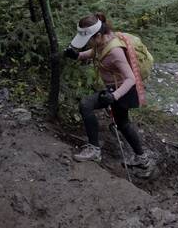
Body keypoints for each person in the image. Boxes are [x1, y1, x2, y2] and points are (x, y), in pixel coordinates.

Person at [64, 12, 150, 168]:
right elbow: (95, 53)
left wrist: (114, 96)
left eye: (88, 40)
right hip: (115, 89)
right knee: (122, 123)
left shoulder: (115, 51)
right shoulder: (102, 42)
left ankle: (95, 150)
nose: (87, 43)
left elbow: (131, 78)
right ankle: (142, 158)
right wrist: (77, 55)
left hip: (122, 90)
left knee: (86, 105)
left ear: (97, 36)